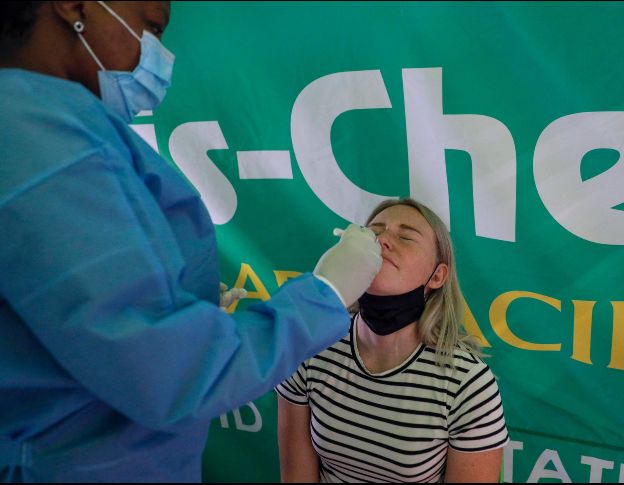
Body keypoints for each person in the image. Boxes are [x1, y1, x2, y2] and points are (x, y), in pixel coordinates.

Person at [0, 1, 382, 482]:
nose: (159, 55)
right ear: (74, 6)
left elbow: (84, 307)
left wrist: (183, 307)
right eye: (151, 26)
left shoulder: (59, 124)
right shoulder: (30, 131)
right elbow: (164, 373)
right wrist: (322, 295)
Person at [277, 198, 509, 483]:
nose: (383, 240)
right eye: (373, 232)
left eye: (406, 236)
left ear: (437, 276)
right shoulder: (311, 346)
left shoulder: (467, 383)